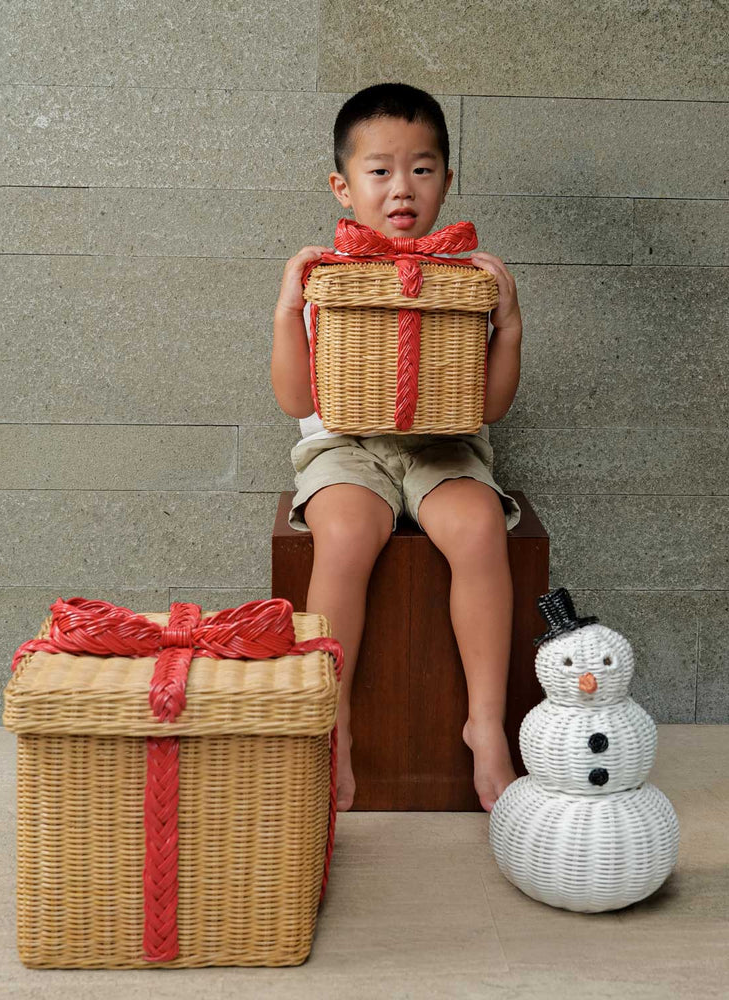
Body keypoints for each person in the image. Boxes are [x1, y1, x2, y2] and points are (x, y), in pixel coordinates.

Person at [270, 82, 523, 813]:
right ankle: (336, 721)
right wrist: (291, 306)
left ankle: (484, 723)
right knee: (344, 534)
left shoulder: (467, 280)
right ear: (342, 187)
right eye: (379, 170)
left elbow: (492, 404)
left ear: (447, 179)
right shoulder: (328, 277)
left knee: (478, 528)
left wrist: (508, 324)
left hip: (444, 448)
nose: (401, 187)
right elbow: (296, 400)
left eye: (422, 167)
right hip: (345, 445)